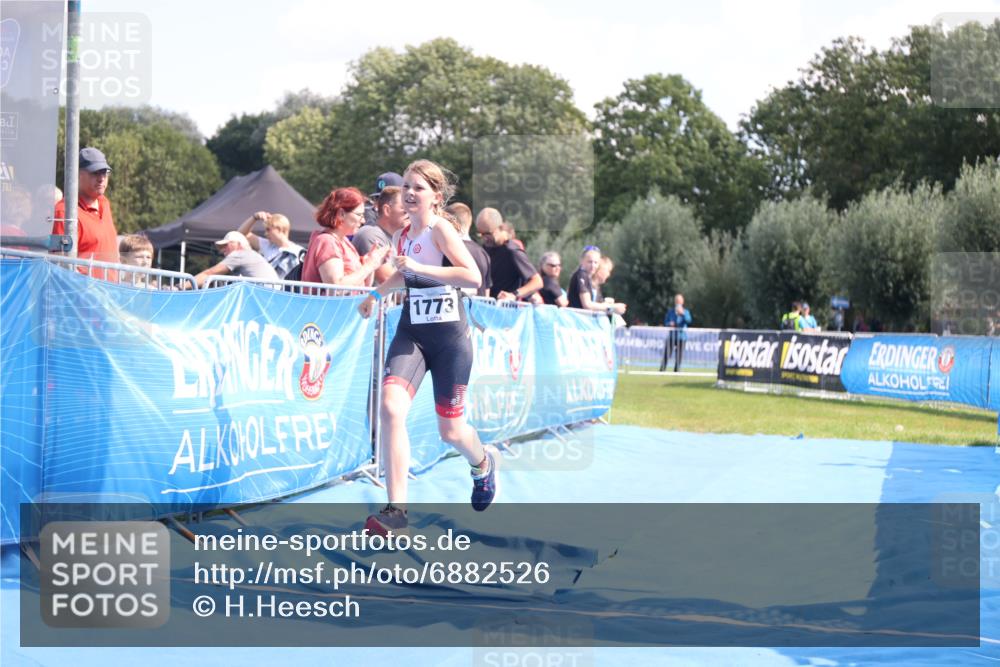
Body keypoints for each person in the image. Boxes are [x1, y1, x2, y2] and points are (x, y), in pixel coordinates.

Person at [358, 159, 497, 535]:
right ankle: (396, 511)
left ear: (436, 197)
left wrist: (422, 269)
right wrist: (376, 292)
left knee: (450, 432)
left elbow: (471, 276)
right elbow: (404, 272)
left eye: (417, 187)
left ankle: (482, 463)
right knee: (389, 408)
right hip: (413, 333)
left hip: (450, 340)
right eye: (405, 186)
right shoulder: (403, 235)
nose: (408, 193)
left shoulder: (442, 230)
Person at [301, 187, 391, 287]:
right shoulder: (327, 242)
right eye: (359, 215)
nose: (363, 221)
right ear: (341, 214)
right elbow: (336, 288)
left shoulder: (344, 241)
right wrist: (369, 266)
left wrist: (369, 262)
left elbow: (363, 285)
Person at [52, 147, 120, 278]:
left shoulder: (104, 203)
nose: (101, 178)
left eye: (105, 172)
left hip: (110, 293)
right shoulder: (63, 211)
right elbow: (59, 262)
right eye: (95, 173)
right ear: (78, 175)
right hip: (82, 294)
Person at [475, 207, 541, 302]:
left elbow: (537, 281)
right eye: (481, 234)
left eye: (488, 234)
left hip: (507, 311)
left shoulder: (512, 251)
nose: (484, 238)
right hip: (488, 309)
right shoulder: (485, 248)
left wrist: (514, 294)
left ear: (500, 227)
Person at [352, 186, 408, 285]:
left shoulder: (400, 239)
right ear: (387, 210)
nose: (411, 212)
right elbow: (388, 282)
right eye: (405, 208)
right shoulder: (370, 234)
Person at [191, 231, 280, 288]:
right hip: (271, 297)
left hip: (265, 297)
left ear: (238, 244)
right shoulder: (251, 255)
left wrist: (180, 286)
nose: (222, 250)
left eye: (226, 245)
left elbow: (209, 274)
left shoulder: (240, 255)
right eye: (221, 247)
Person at [237, 211, 304, 279]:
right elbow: (240, 234)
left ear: (279, 229)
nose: (265, 234)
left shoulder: (299, 251)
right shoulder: (266, 245)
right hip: (266, 289)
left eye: (268, 230)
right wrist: (254, 218)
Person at [445, 202, 491, 297]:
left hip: (457, 309)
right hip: (479, 310)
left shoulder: (448, 250)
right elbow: (486, 291)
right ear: (470, 223)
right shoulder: (483, 253)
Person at [567, 246, 626, 315]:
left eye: (596, 262)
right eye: (589, 262)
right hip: (577, 322)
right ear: (582, 261)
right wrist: (612, 308)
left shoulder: (586, 277)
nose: (593, 265)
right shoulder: (581, 275)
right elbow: (587, 305)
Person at [660, 293, 692, 372]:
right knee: (667, 353)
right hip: (671, 336)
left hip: (682, 337)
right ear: (675, 302)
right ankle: (662, 370)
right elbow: (666, 322)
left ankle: (677, 370)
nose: (678, 303)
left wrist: (683, 314)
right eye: (677, 301)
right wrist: (669, 324)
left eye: (680, 301)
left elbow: (689, 321)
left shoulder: (686, 312)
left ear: (682, 302)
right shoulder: (670, 312)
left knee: (679, 354)